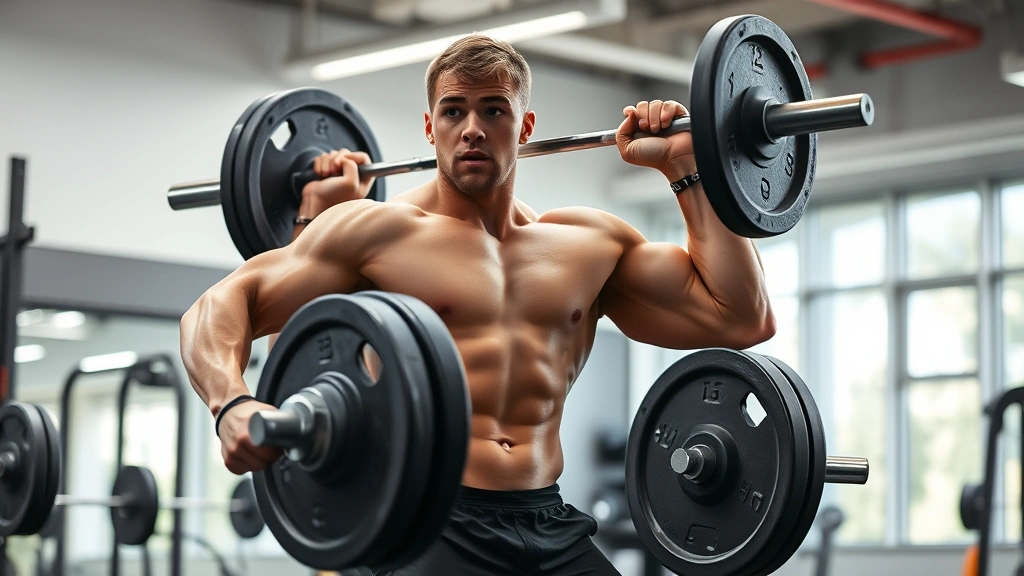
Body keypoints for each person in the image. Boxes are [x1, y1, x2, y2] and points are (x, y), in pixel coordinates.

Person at [180, 34, 775, 576]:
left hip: (546, 517)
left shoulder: (587, 244)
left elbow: (740, 315)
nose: (472, 129)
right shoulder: (377, 233)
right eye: (453, 111)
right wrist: (230, 402)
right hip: (429, 520)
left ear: (524, 125)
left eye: (493, 110)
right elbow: (220, 305)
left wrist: (688, 168)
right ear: (429, 126)